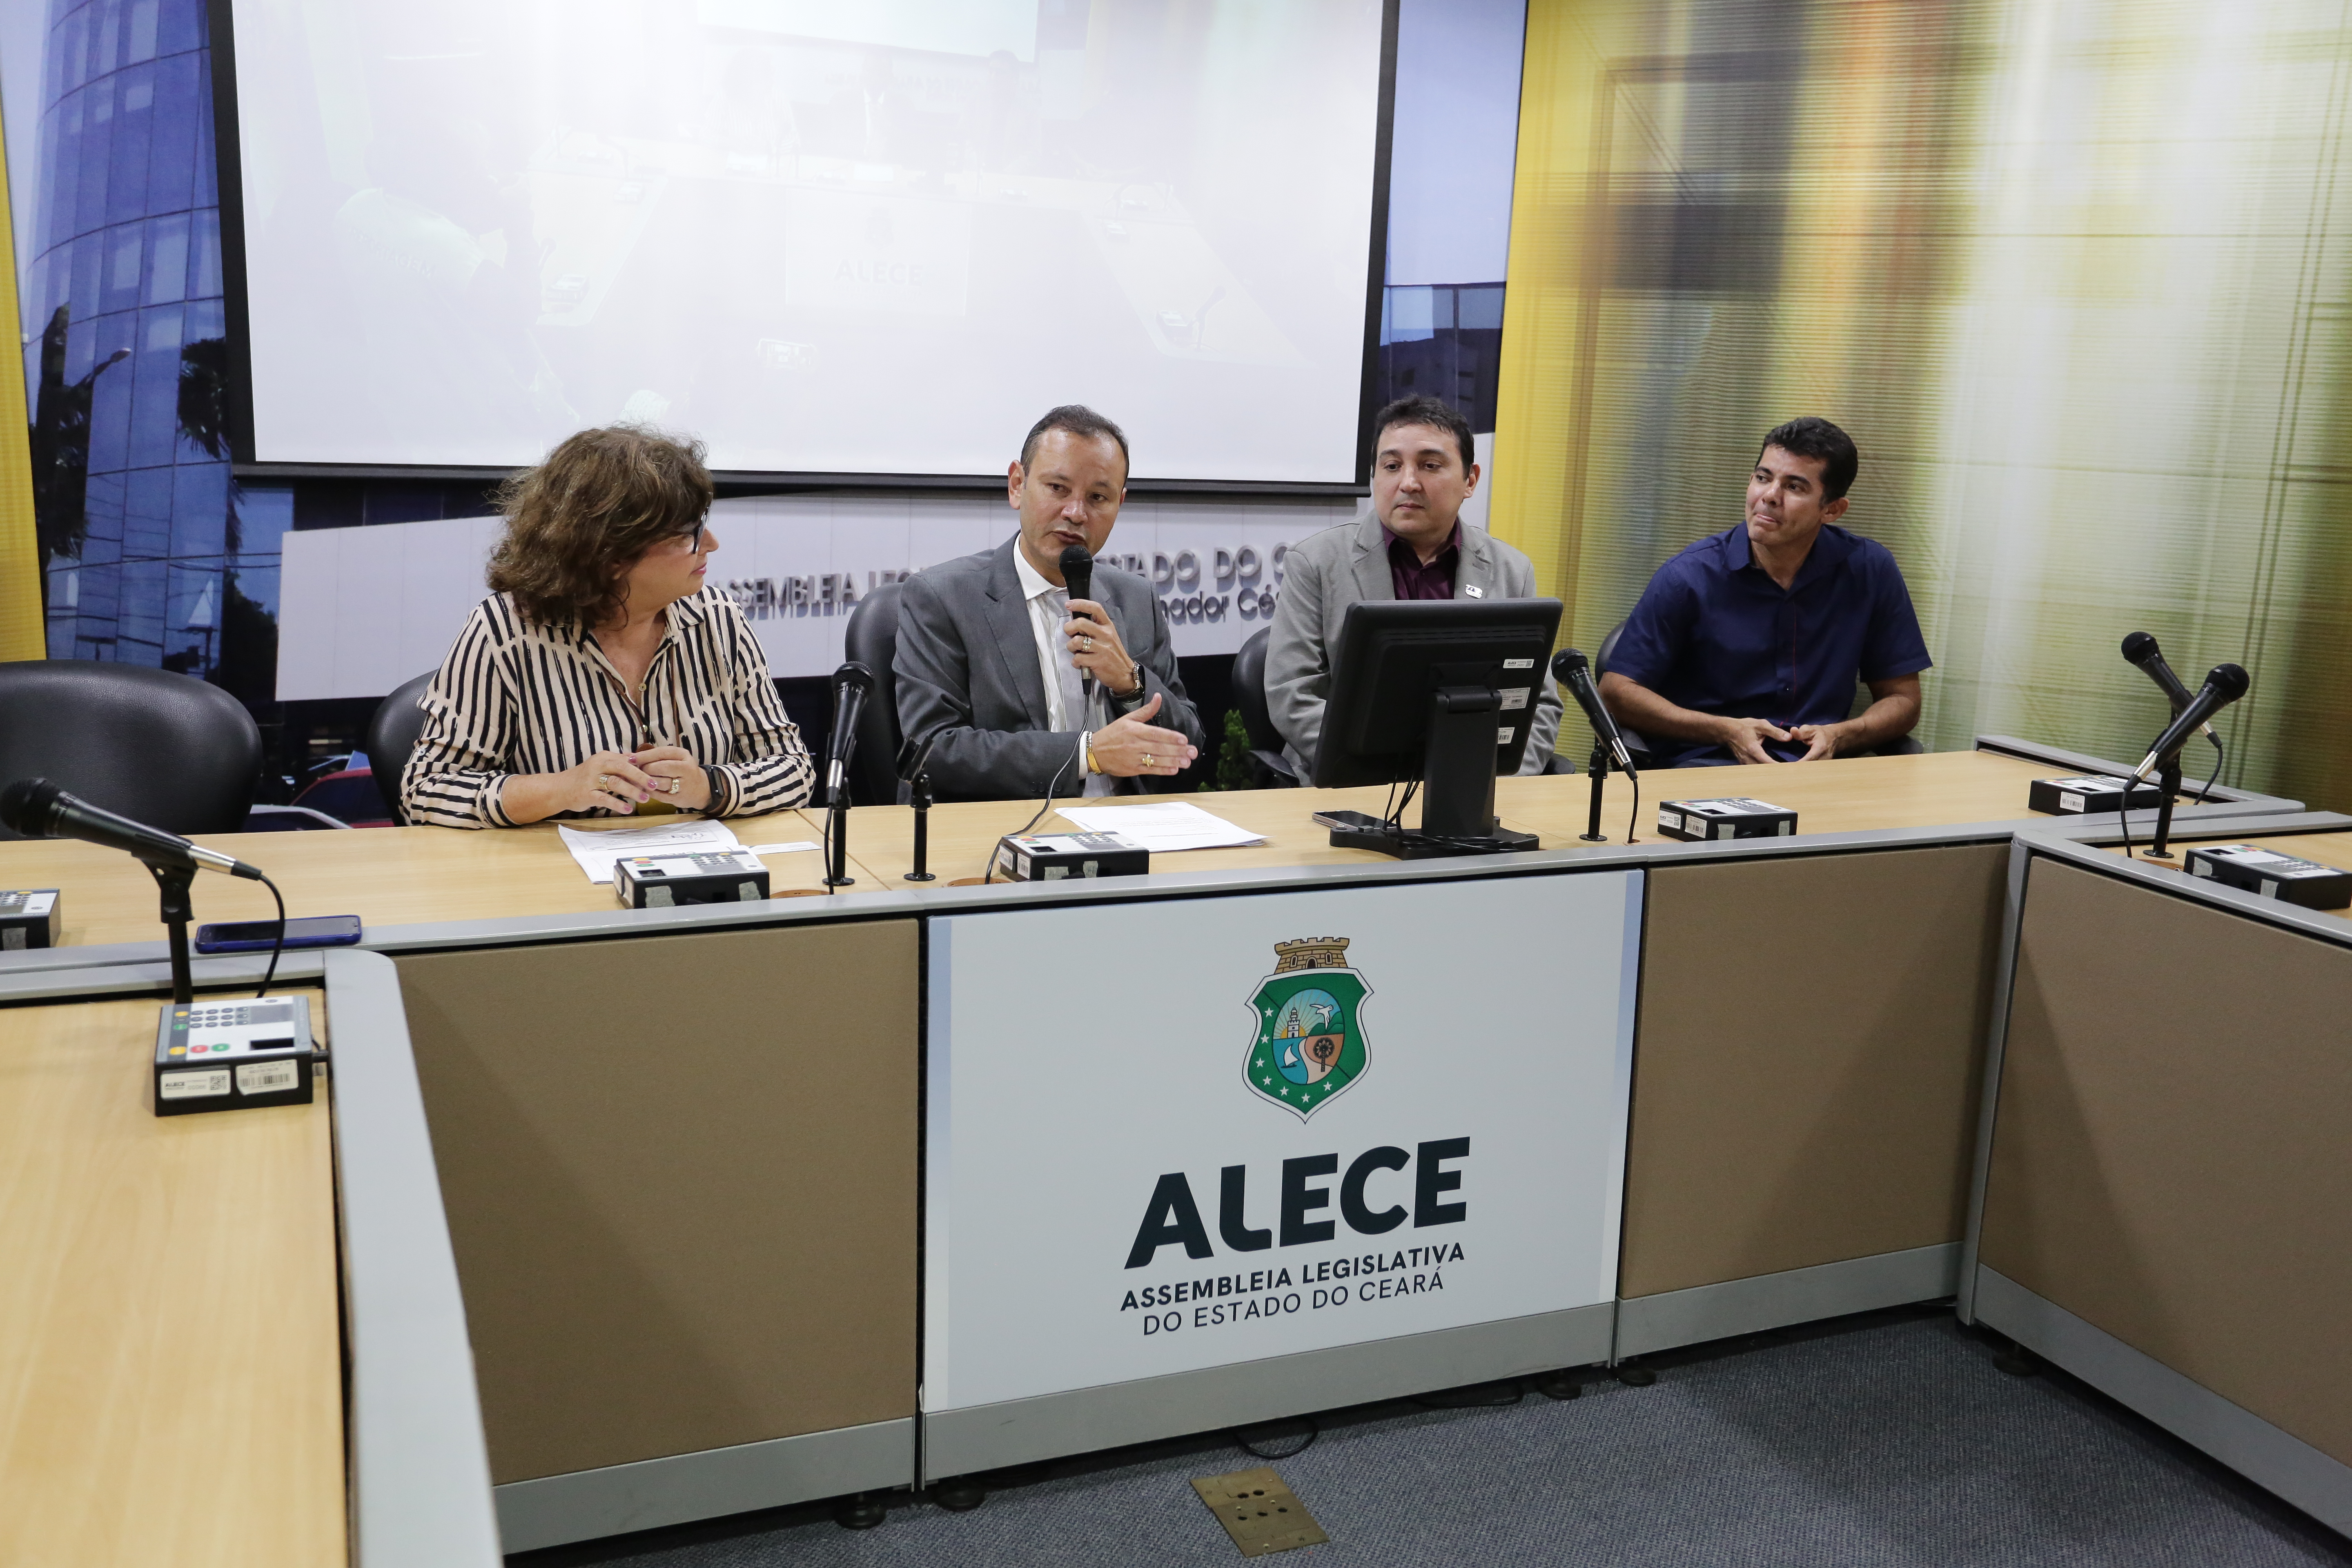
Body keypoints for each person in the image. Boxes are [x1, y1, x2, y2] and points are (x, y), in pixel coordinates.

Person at [402, 425, 815, 827]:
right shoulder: (505, 631)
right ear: (611, 554)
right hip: (555, 881)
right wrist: (560, 789)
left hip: (703, 872)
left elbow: (794, 770)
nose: (711, 544)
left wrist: (711, 787)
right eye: (688, 534)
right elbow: (427, 790)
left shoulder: (718, 619)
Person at [894, 405, 1203, 800]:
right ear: (1017, 485)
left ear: (1119, 504)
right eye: (1057, 489)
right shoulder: (941, 598)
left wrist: (1131, 683)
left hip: (1128, 834)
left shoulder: (1135, 599)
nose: (1076, 513)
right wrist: (1087, 754)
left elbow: (1189, 748)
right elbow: (933, 750)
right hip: (1006, 834)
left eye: (1098, 497)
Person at [1597, 416, 1930, 767]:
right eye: (1763, 478)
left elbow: (1903, 700)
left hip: (1818, 771)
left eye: (1795, 487)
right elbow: (1617, 692)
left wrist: (1843, 734)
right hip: (1709, 765)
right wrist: (1723, 730)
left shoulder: (1869, 570)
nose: (1769, 497)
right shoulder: (1689, 576)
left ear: (1832, 509)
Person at [1265, 395, 1564, 777]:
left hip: (1474, 788)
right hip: (1349, 786)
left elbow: (1536, 704)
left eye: (1430, 465)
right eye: (1392, 466)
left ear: (1470, 480)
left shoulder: (1511, 570)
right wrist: (1391, 771)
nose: (1408, 483)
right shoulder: (1316, 563)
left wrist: (1499, 779)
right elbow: (1293, 694)